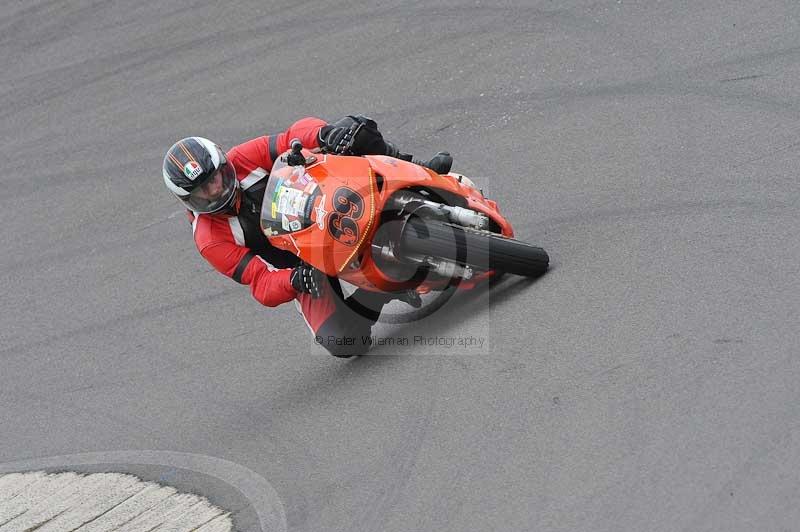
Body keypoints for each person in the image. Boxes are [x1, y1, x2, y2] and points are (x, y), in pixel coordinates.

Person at [162, 115, 453, 357]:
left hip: (326, 202)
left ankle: (418, 170)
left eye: (214, 178)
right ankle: (380, 292)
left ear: (224, 164)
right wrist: (292, 281)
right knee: (342, 341)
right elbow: (260, 282)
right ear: (188, 200)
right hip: (303, 264)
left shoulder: (244, 158)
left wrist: (325, 134)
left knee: (355, 129)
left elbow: (292, 136)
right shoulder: (210, 239)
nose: (215, 190)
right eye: (203, 190)